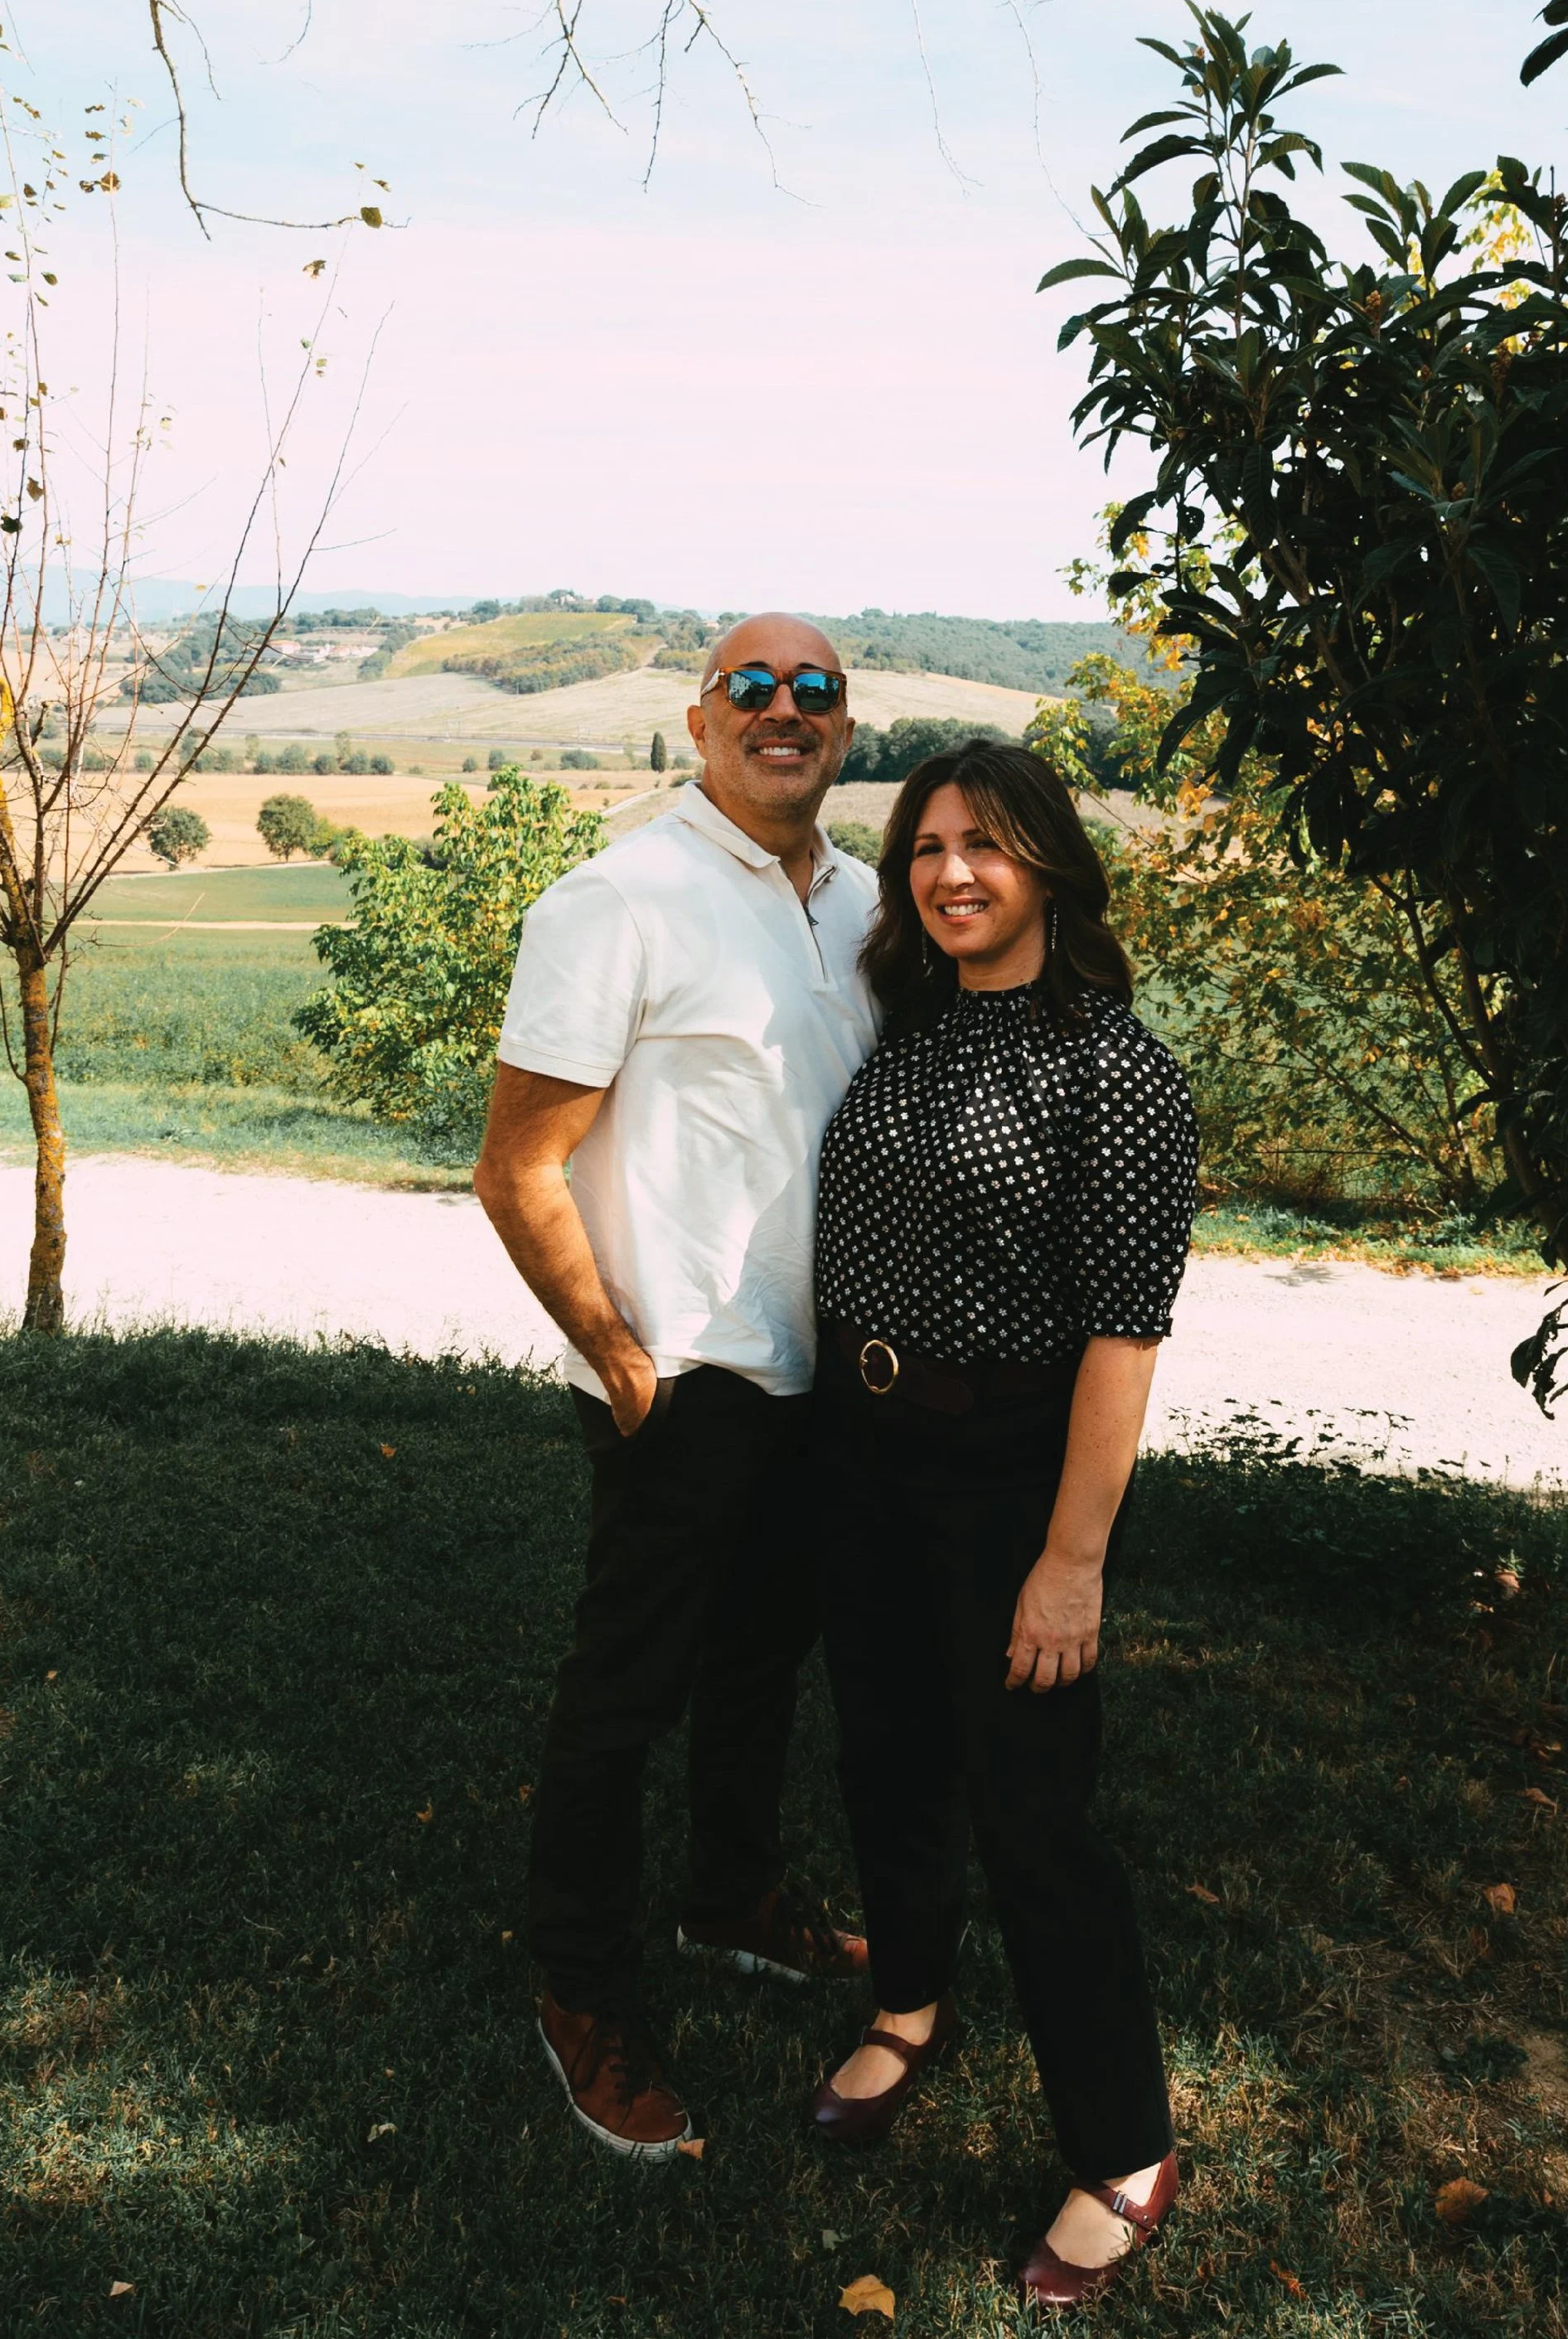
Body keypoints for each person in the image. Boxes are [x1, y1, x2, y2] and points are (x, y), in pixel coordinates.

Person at [472, 613, 878, 2161]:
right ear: (702, 720)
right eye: (754, 689)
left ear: (846, 725)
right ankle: (582, 1994)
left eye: (817, 691)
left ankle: (732, 1899)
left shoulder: (858, 904)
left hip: (821, 1374)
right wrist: (618, 1357)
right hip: (681, 1375)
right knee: (626, 1690)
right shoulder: (616, 900)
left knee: (767, 1655)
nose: (788, 712)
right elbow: (518, 1167)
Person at [807, 742, 1198, 2306]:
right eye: (927, 846)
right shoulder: (904, 1032)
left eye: (986, 846)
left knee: (1035, 1816)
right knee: (886, 1753)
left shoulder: (1117, 1070)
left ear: (1051, 866)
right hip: (865, 1450)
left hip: (1006, 1477)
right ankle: (907, 2005)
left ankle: (1123, 2145)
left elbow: (1124, 1334)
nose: (951, 872)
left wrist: (1071, 1559)